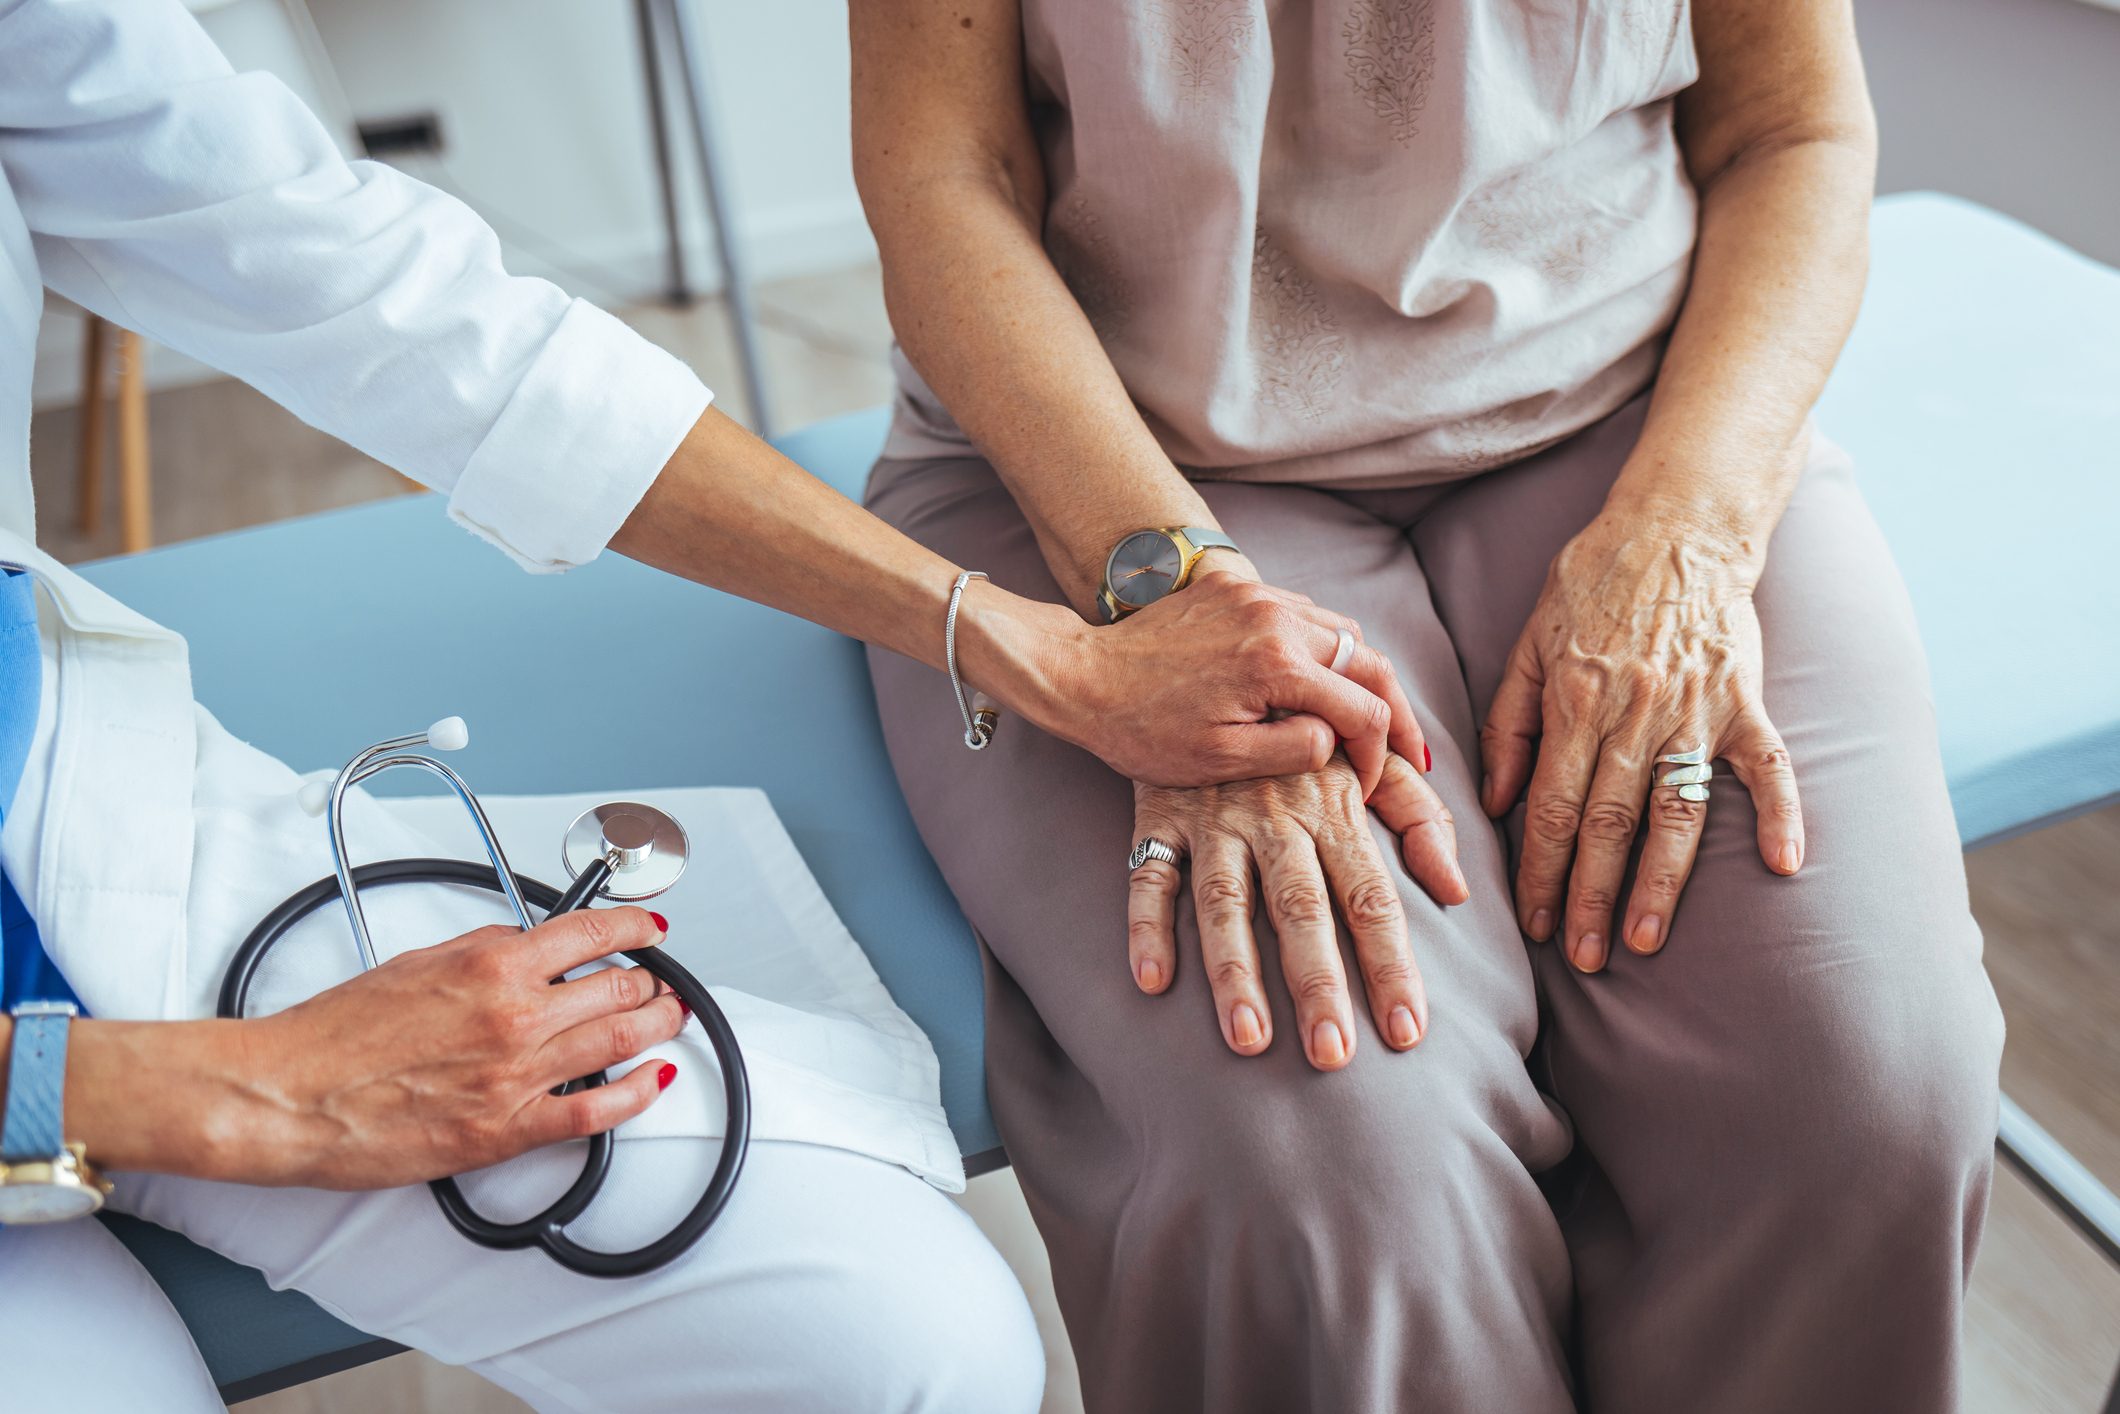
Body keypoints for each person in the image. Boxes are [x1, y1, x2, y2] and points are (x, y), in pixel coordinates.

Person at [0, 1, 1427, 1408]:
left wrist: (1017, 640)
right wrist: (212, 1091)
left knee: (914, 1348)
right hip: (80, 1085)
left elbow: (394, 302)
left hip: (60, 821)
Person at [851, 0, 2006, 1410]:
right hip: (1112, 467)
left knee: (1865, 1093)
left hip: (1641, 425)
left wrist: (1692, 533)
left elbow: (1795, 125)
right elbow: (942, 175)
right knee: (1335, 1182)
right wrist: (1165, 596)